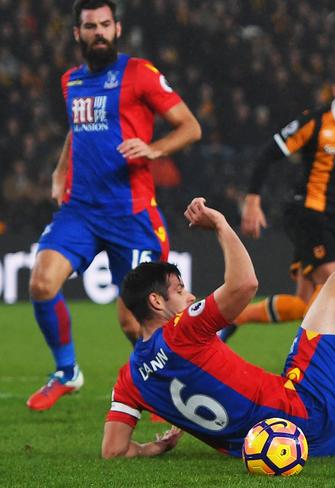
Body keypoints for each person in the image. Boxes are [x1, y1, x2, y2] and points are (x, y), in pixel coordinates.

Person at [101, 197, 335, 459]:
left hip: (268, 443)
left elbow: (114, 450)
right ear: (156, 303)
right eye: (180, 291)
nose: (190, 295)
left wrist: (154, 447)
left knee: (334, 410)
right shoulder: (181, 331)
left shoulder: (128, 380)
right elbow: (244, 284)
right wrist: (221, 225)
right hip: (298, 416)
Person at [26, 0, 201, 411]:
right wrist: (58, 171)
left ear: (117, 29)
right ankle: (67, 372)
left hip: (132, 215)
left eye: (105, 25)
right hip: (81, 210)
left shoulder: (139, 73)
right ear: (77, 33)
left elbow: (190, 126)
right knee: (40, 283)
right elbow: (78, 131)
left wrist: (154, 150)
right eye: (90, 26)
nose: (99, 32)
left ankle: (171, 389)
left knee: (134, 321)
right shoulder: (71, 81)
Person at [232, 64, 335, 335]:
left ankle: (234, 318)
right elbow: (268, 154)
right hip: (306, 212)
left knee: (303, 304)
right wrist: (252, 200)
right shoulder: (315, 121)